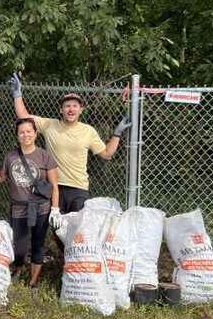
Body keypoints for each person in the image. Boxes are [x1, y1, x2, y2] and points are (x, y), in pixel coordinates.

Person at [10, 73, 131, 219]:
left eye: (75, 106)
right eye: (67, 106)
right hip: (55, 187)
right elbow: (24, 117)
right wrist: (17, 94)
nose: (71, 109)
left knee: (75, 231)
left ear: (81, 110)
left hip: (79, 189)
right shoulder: (50, 125)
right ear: (61, 110)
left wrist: (117, 133)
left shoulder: (88, 131)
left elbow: (107, 153)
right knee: (57, 227)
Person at [0, 118, 59, 289]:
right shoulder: (11, 156)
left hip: (41, 207)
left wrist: (55, 209)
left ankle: (33, 282)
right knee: (19, 247)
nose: (26, 135)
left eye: (29, 131)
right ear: (17, 135)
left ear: (35, 133)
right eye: (22, 132)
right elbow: (2, 177)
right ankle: (18, 269)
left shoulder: (44, 156)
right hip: (19, 208)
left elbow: (54, 185)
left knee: (38, 244)